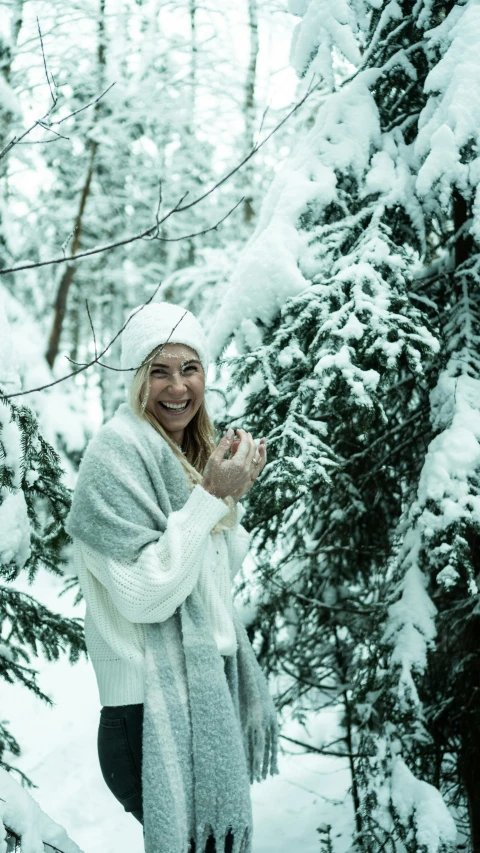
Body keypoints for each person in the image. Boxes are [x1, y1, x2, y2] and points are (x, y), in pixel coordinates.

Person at [66, 302, 279, 853]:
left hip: (197, 699)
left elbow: (208, 582)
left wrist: (225, 500)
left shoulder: (187, 453)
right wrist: (210, 500)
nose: (177, 386)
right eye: (159, 370)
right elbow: (146, 595)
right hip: (144, 718)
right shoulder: (115, 457)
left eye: (190, 368)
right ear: (138, 379)